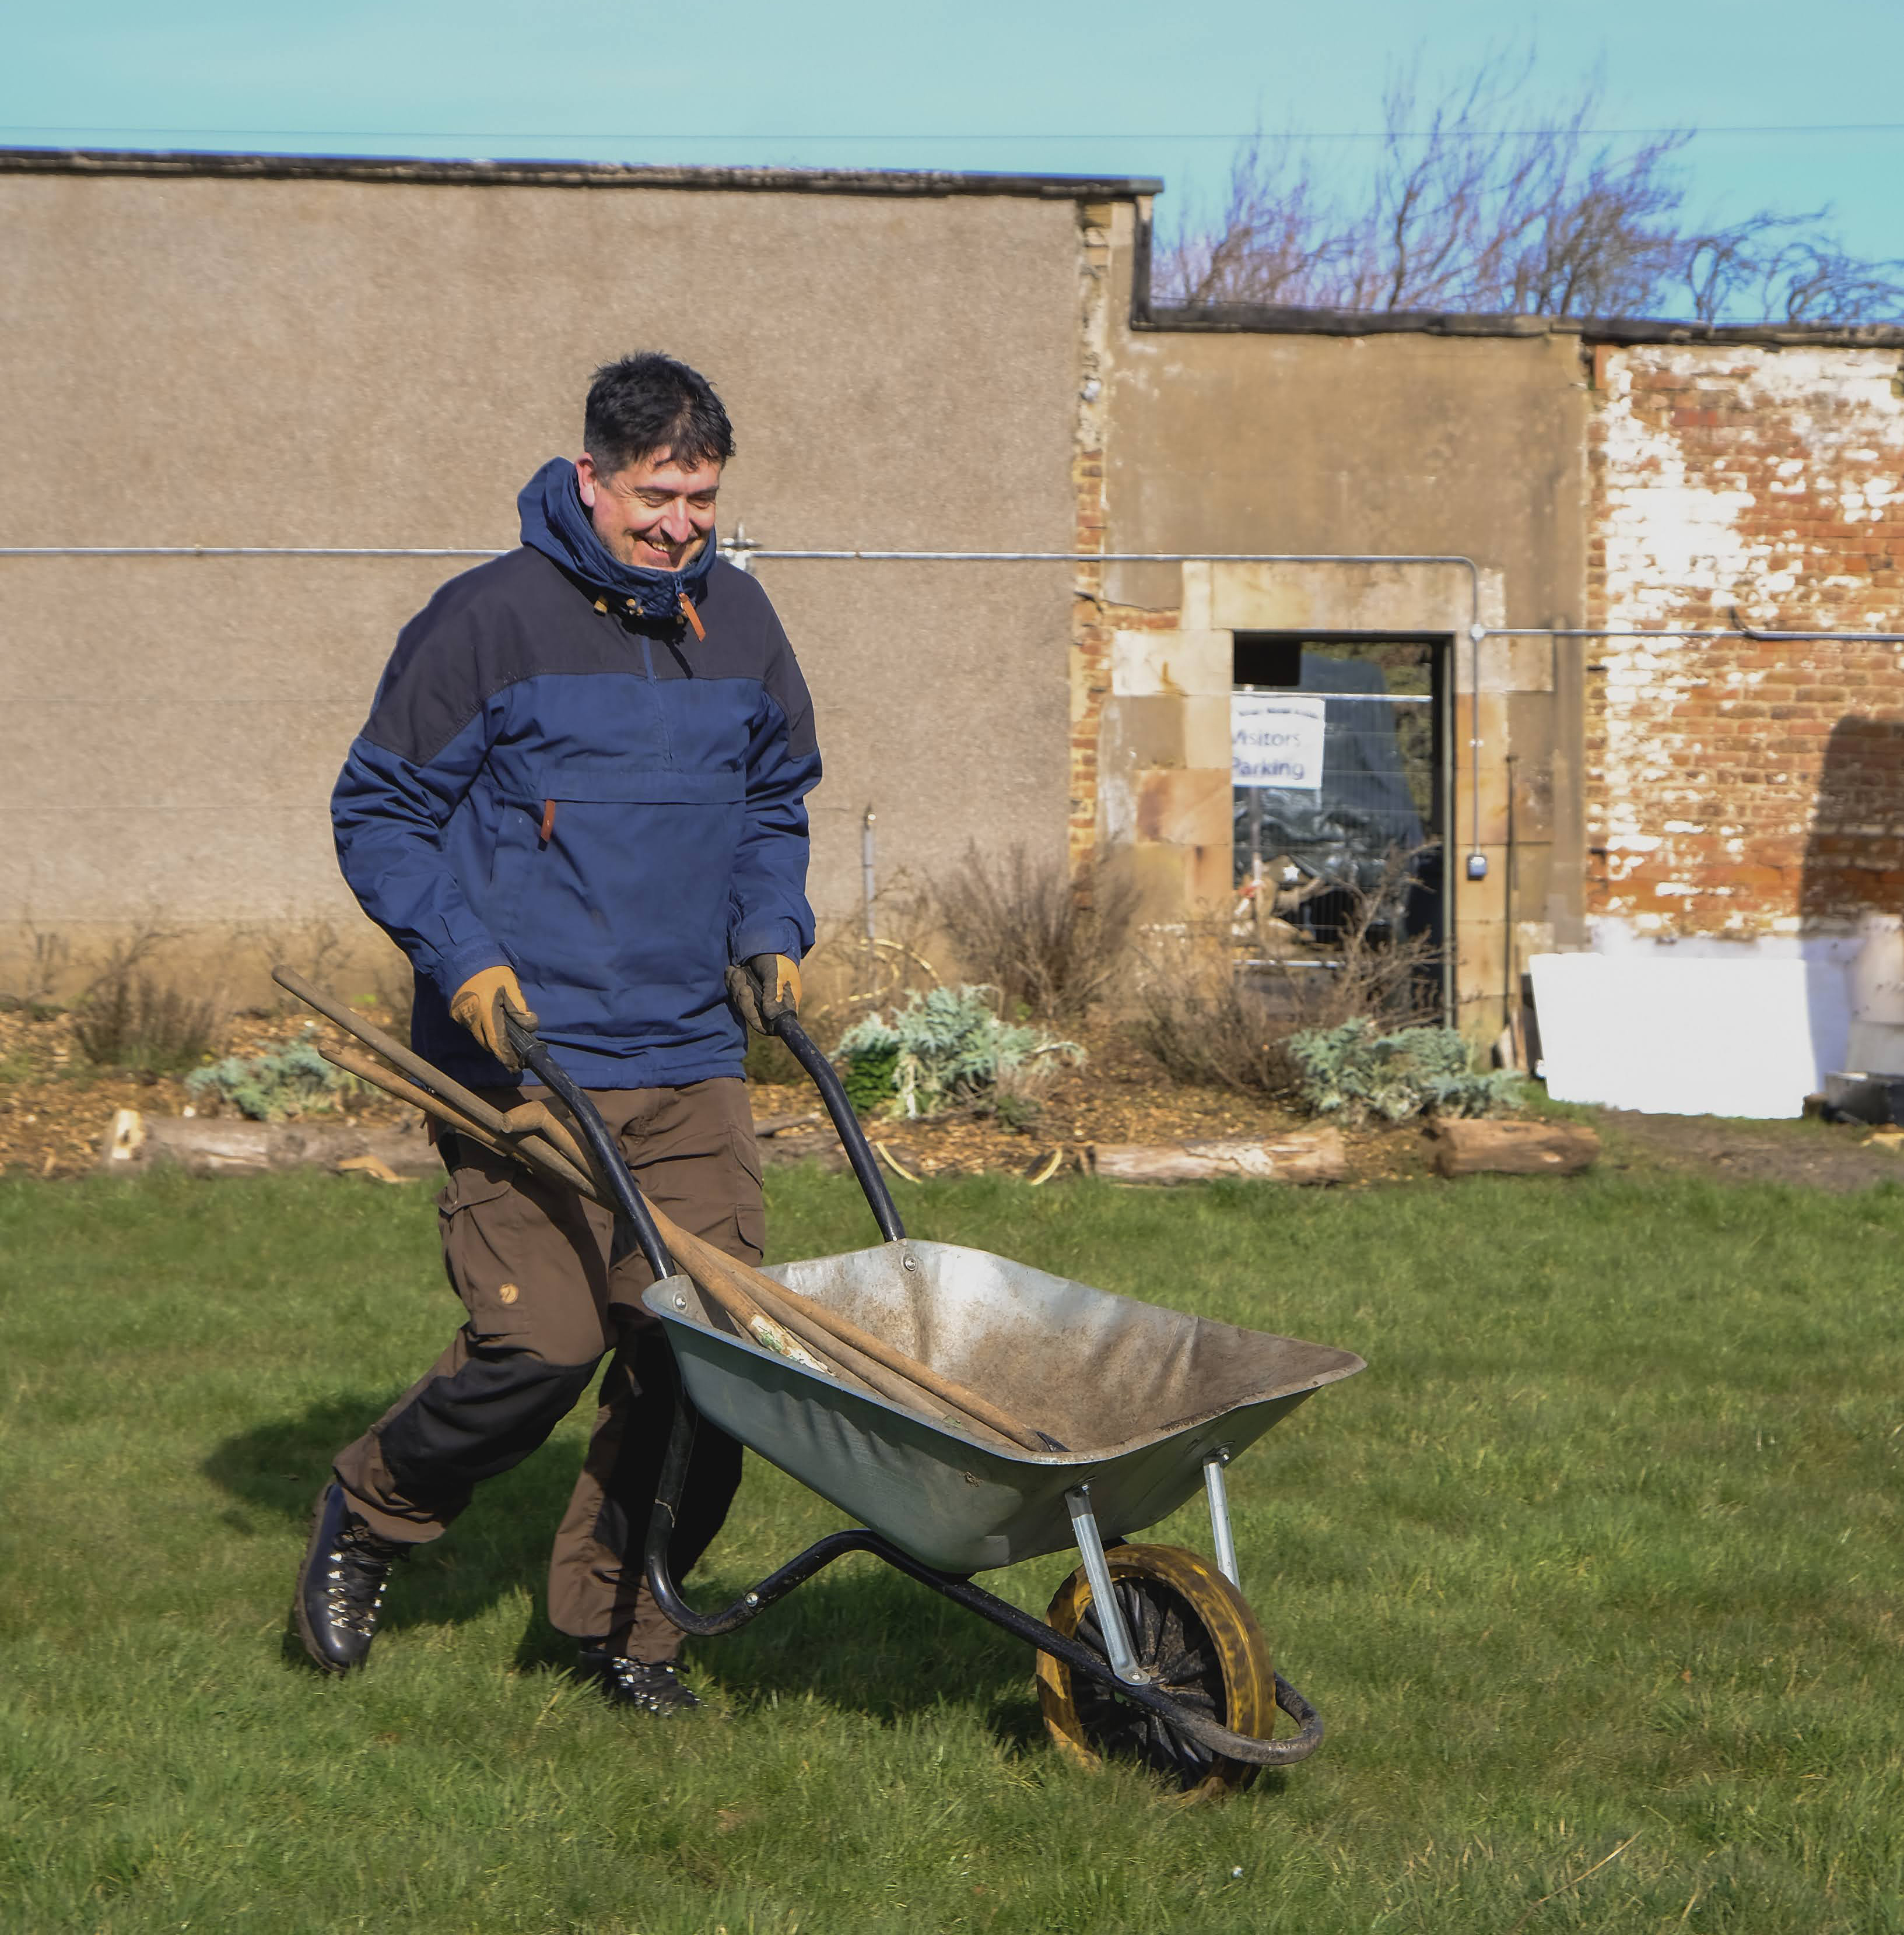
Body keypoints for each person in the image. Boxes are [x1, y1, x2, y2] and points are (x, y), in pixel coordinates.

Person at [293, 353, 820, 1714]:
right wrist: (462, 962)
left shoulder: (743, 622)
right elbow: (381, 811)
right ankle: (375, 1506)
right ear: (589, 478)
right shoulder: (487, 622)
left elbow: (775, 800)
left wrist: (770, 923)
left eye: (702, 497)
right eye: (657, 495)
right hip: (521, 1057)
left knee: (705, 1361)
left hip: (687, 1055)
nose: (681, 525)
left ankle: (626, 1631)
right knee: (542, 1347)